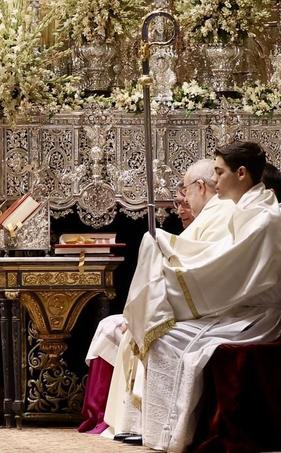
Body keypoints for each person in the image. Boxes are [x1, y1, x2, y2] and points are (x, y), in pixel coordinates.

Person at [120, 141, 281, 453]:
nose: (215, 180)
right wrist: (168, 248)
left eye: (219, 172)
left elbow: (224, 271)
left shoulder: (263, 218)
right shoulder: (250, 209)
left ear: (242, 173)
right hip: (245, 311)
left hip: (259, 319)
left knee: (166, 338)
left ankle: (173, 433)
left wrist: (170, 267)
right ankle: (162, 429)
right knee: (166, 333)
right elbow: (220, 257)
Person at [87, 159, 231, 439]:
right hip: (210, 306)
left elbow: (201, 266)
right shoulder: (215, 212)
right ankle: (135, 424)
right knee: (139, 329)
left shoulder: (220, 212)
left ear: (199, 187)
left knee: (154, 335)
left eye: (186, 191)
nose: (184, 201)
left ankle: (157, 428)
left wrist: (158, 243)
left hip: (219, 313)